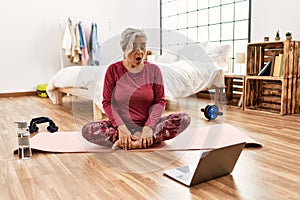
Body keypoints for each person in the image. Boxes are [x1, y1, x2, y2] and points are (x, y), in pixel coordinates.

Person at [82, 27, 191, 150]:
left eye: (143, 46)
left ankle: (135, 141)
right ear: (124, 48)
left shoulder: (154, 70)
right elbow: (107, 103)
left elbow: (160, 101)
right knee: (88, 130)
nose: (140, 51)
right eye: (134, 47)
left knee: (184, 119)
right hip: (121, 127)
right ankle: (134, 139)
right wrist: (121, 128)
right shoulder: (113, 70)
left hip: (149, 126)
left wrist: (148, 128)